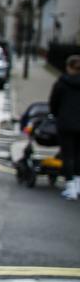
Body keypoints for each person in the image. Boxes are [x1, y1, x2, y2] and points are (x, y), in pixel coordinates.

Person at [50, 55, 80, 200]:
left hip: (66, 124)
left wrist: (56, 115)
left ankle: (71, 188)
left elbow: (53, 104)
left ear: (68, 67)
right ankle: (78, 185)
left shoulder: (62, 83)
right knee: (79, 155)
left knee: (68, 156)